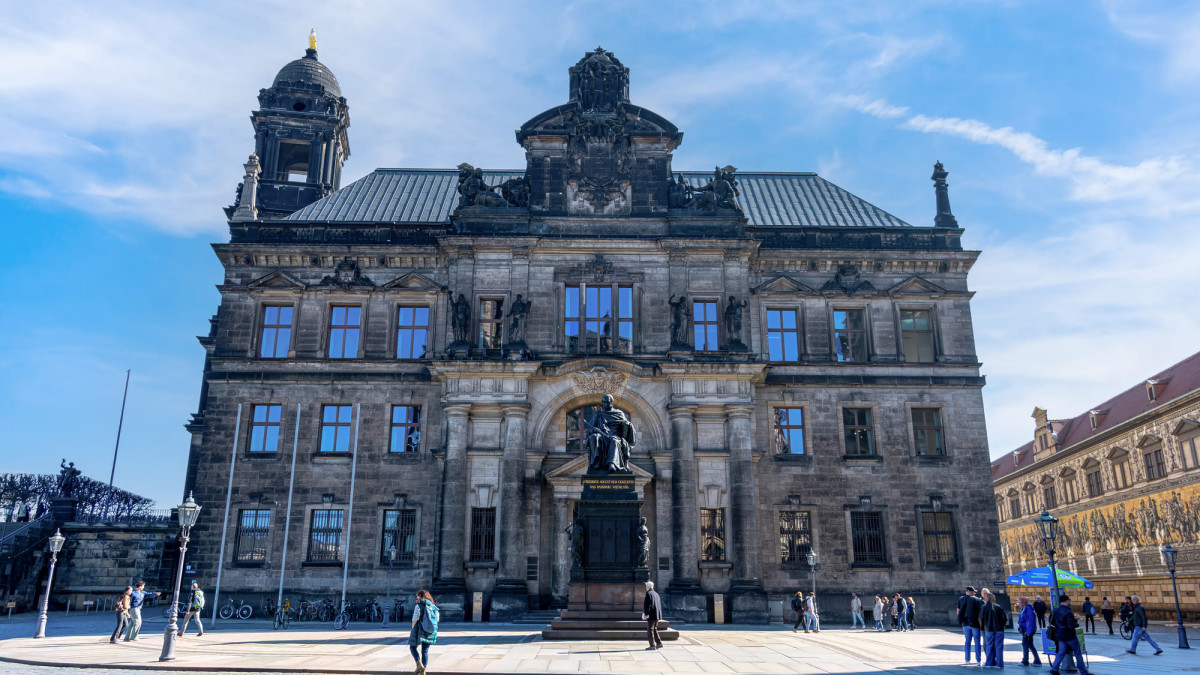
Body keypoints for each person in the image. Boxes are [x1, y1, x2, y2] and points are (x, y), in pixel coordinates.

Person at [1049, 595, 1090, 675]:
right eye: (1069, 600)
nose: (1069, 601)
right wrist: (1076, 623)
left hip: (1060, 635)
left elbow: (1051, 621)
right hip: (1069, 636)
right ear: (1066, 601)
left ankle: (1054, 669)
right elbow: (1070, 625)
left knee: (1061, 652)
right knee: (1078, 653)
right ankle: (1083, 671)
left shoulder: (1055, 610)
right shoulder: (1068, 612)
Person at [409, 589, 439, 673]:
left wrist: (413, 628)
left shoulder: (419, 606)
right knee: (425, 650)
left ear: (421, 597)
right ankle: (423, 670)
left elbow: (415, 618)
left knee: (412, 647)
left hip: (419, 629)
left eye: (418, 596)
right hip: (430, 630)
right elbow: (437, 619)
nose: (417, 598)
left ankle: (419, 664)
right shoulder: (433, 606)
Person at [980, 588, 1008, 668]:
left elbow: (980, 619)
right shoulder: (999, 607)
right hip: (999, 629)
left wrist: (983, 628)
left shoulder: (983, 607)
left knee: (989, 646)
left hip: (988, 630)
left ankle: (989, 663)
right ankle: (999, 664)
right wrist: (1002, 626)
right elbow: (1004, 618)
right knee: (999, 647)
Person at [957, 585, 984, 666]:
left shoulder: (961, 599)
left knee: (967, 641)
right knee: (977, 642)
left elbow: (958, 611)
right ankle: (978, 660)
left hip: (965, 623)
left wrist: (961, 620)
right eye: (974, 592)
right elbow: (982, 611)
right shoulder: (977, 600)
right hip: (975, 623)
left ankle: (967, 659)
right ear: (972, 592)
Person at [1017, 596, 1042, 667]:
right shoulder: (1024, 609)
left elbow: (1030, 622)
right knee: (1030, 645)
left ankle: (1025, 660)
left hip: (1027, 631)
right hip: (1026, 630)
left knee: (1025, 645)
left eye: (1019, 602)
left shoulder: (1028, 610)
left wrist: (1028, 632)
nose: (1018, 604)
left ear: (1023, 603)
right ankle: (1037, 661)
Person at [643, 581, 664, 650]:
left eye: (646, 586)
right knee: (654, 629)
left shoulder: (648, 594)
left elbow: (647, 605)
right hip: (657, 615)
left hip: (651, 615)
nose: (645, 587)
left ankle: (652, 645)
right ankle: (659, 643)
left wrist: (646, 614)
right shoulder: (656, 594)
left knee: (650, 630)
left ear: (648, 586)